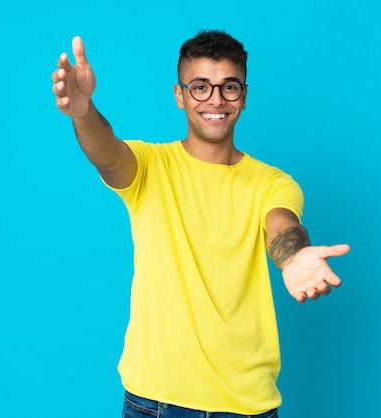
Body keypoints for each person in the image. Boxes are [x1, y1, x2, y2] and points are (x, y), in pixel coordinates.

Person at [52, 30, 350, 418]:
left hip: (247, 405)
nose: (215, 100)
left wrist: (293, 258)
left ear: (243, 96)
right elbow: (108, 155)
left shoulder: (272, 182)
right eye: (200, 87)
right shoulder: (149, 166)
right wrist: (83, 112)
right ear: (179, 95)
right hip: (155, 402)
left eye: (228, 87)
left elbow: (281, 224)